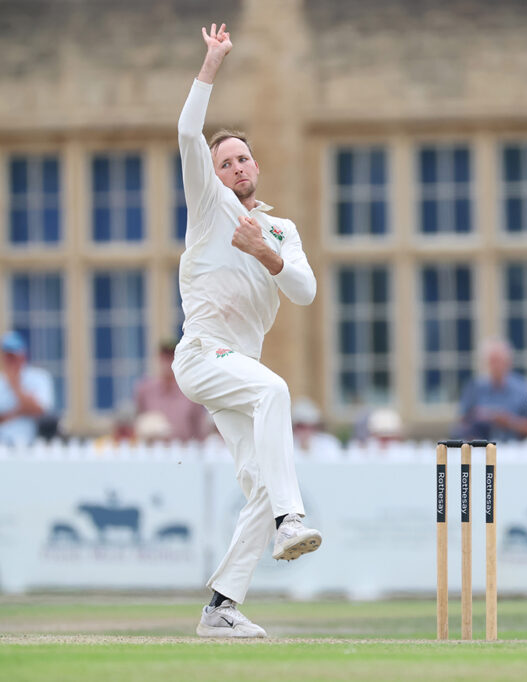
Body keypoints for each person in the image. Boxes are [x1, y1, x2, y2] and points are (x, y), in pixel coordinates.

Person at [172, 24, 322, 639]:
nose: (236, 168)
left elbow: (305, 291)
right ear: (213, 175)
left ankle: (220, 607)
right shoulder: (209, 206)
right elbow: (188, 133)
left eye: (242, 159)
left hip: (236, 368)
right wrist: (212, 63)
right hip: (203, 354)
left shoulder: (281, 230)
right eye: (225, 163)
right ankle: (293, 520)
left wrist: (265, 251)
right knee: (275, 389)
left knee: (258, 486)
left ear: (256, 166)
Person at [455, 337, 527, 441]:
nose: (496, 366)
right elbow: (461, 423)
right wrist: (478, 418)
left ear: (509, 362)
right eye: (492, 361)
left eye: (499, 361)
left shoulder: (521, 389)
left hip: (514, 447)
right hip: (481, 446)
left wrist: (508, 421)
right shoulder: (475, 387)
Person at [134, 337, 210, 442]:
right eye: (165, 357)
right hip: (154, 449)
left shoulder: (190, 389)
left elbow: (199, 428)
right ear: (159, 358)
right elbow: (139, 420)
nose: (168, 362)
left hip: (184, 448)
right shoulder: (145, 390)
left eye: (171, 357)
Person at [0, 331, 56, 446]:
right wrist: (22, 410)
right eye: (7, 355)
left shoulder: (39, 377)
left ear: (23, 356)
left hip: (33, 444)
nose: (10, 360)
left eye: (13, 356)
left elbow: (40, 410)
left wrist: (15, 386)